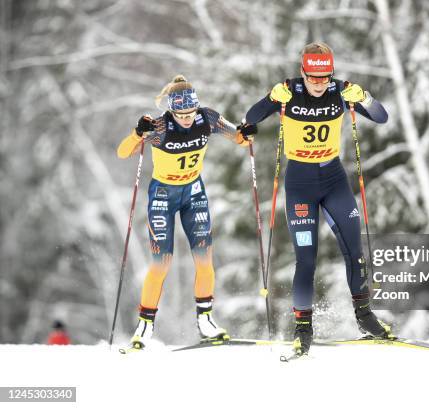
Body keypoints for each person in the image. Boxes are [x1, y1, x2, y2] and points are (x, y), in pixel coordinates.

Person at [245, 42, 392, 356]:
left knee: (355, 250)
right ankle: (302, 328)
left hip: (334, 179)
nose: (318, 83)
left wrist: (365, 97)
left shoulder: (341, 91)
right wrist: (271, 98)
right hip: (300, 182)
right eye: (312, 77)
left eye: (324, 77)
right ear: (303, 72)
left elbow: (381, 117)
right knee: (306, 259)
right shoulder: (289, 91)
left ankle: (365, 317)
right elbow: (251, 117)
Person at [117, 75, 257, 350]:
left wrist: (246, 133)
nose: (187, 119)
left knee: (204, 258)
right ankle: (145, 325)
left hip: (193, 193)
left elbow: (239, 138)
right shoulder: (158, 127)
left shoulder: (208, 119)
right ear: (171, 110)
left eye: (191, 112)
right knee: (161, 264)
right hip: (163, 195)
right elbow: (123, 153)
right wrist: (137, 133)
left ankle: (205, 320)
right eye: (181, 114)